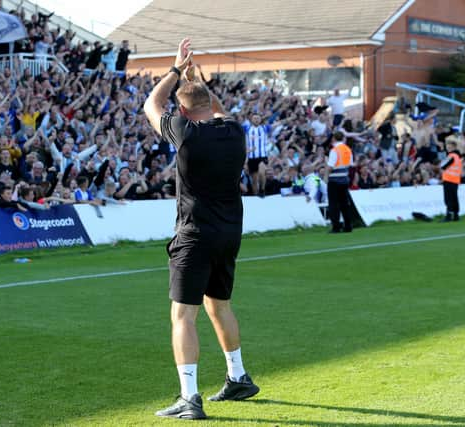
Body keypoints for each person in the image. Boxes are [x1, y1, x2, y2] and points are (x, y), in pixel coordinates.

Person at [144, 38, 259, 420]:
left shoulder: (186, 134)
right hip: (229, 232)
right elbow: (218, 111)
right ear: (210, 105)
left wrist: (177, 69)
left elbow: (150, 105)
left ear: (182, 110)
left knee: (183, 316)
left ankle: (189, 397)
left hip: (194, 234)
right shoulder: (235, 131)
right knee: (219, 305)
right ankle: (238, 376)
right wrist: (200, 83)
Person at [326, 131, 353, 233]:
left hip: (334, 179)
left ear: (334, 138)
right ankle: (348, 225)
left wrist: (326, 176)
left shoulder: (334, 150)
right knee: (344, 204)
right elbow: (350, 164)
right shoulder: (347, 149)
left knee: (333, 204)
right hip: (344, 179)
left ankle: (336, 226)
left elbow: (330, 166)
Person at [440, 140, 462, 222]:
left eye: (449, 147)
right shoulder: (457, 156)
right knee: (454, 198)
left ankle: (449, 215)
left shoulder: (451, 156)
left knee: (448, 199)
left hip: (449, 179)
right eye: (447, 147)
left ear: (454, 147)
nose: (448, 148)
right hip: (455, 179)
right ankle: (456, 215)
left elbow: (442, 165)